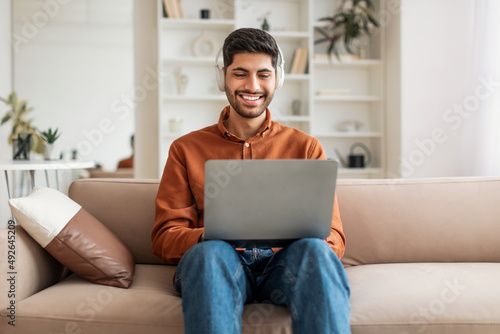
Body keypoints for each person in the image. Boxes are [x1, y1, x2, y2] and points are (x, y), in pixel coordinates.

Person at [152, 28, 351, 334]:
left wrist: (295, 236)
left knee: (316, 252)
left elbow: (333, 239)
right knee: (208, 256)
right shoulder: (185, 149)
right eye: (240, 73)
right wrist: (209, 237)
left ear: (277, 79)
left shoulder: (306, 147)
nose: (252, 85)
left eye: (263, 74)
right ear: (223, 79)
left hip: (286, 267)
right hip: (221, 265)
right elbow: (164, 237)